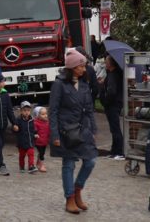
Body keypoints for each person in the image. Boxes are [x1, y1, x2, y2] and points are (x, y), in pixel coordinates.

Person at [49, 50, 98, 214]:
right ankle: (69, 198)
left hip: (83, 129)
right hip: (66, 131)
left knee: (90, 161)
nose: (84, 69)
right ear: (73, 67)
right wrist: (54, 134)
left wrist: (93, 129)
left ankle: (78, 190)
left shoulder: (84, 85)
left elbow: (90, 109)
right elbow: (53, 111)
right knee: (68, 164)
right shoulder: (59, 84)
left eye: (84, 66)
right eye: (81, 66)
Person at [99, 54, 125, 160]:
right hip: (115, 103)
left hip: (113, 104)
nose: (105, 63)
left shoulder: (113, 75)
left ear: (110, 64)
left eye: (106, 62)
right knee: (114, 128)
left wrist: (105, 101)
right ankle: (114, 150)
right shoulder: (113, 74)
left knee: (115, 128)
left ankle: (119, 151)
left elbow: (112, 91)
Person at [15, 101, 38, 174]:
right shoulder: (18, 120)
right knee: (22, 155)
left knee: (31, 153)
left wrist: (35, 134)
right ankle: (21, 166)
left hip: (30, 141)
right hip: (21, 142)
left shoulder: (32, 120)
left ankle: (31, 166)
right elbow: (15, 130)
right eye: (24, 110)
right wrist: (15, 129)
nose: (26, 112)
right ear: (21, 111)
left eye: (28, 110)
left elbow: (33, 129)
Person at [34, 107, 50, 173]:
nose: (45, 115)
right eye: (43, 114)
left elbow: (49, 131)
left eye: (46, 113)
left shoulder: (47, 122)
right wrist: (35, 134)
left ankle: (38, 162)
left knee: (42, 152)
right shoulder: (35, 123)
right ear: (37, 115)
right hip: (38, 142)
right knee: (41, 153)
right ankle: (41, 165)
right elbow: (34, 130)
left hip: (45, 141)